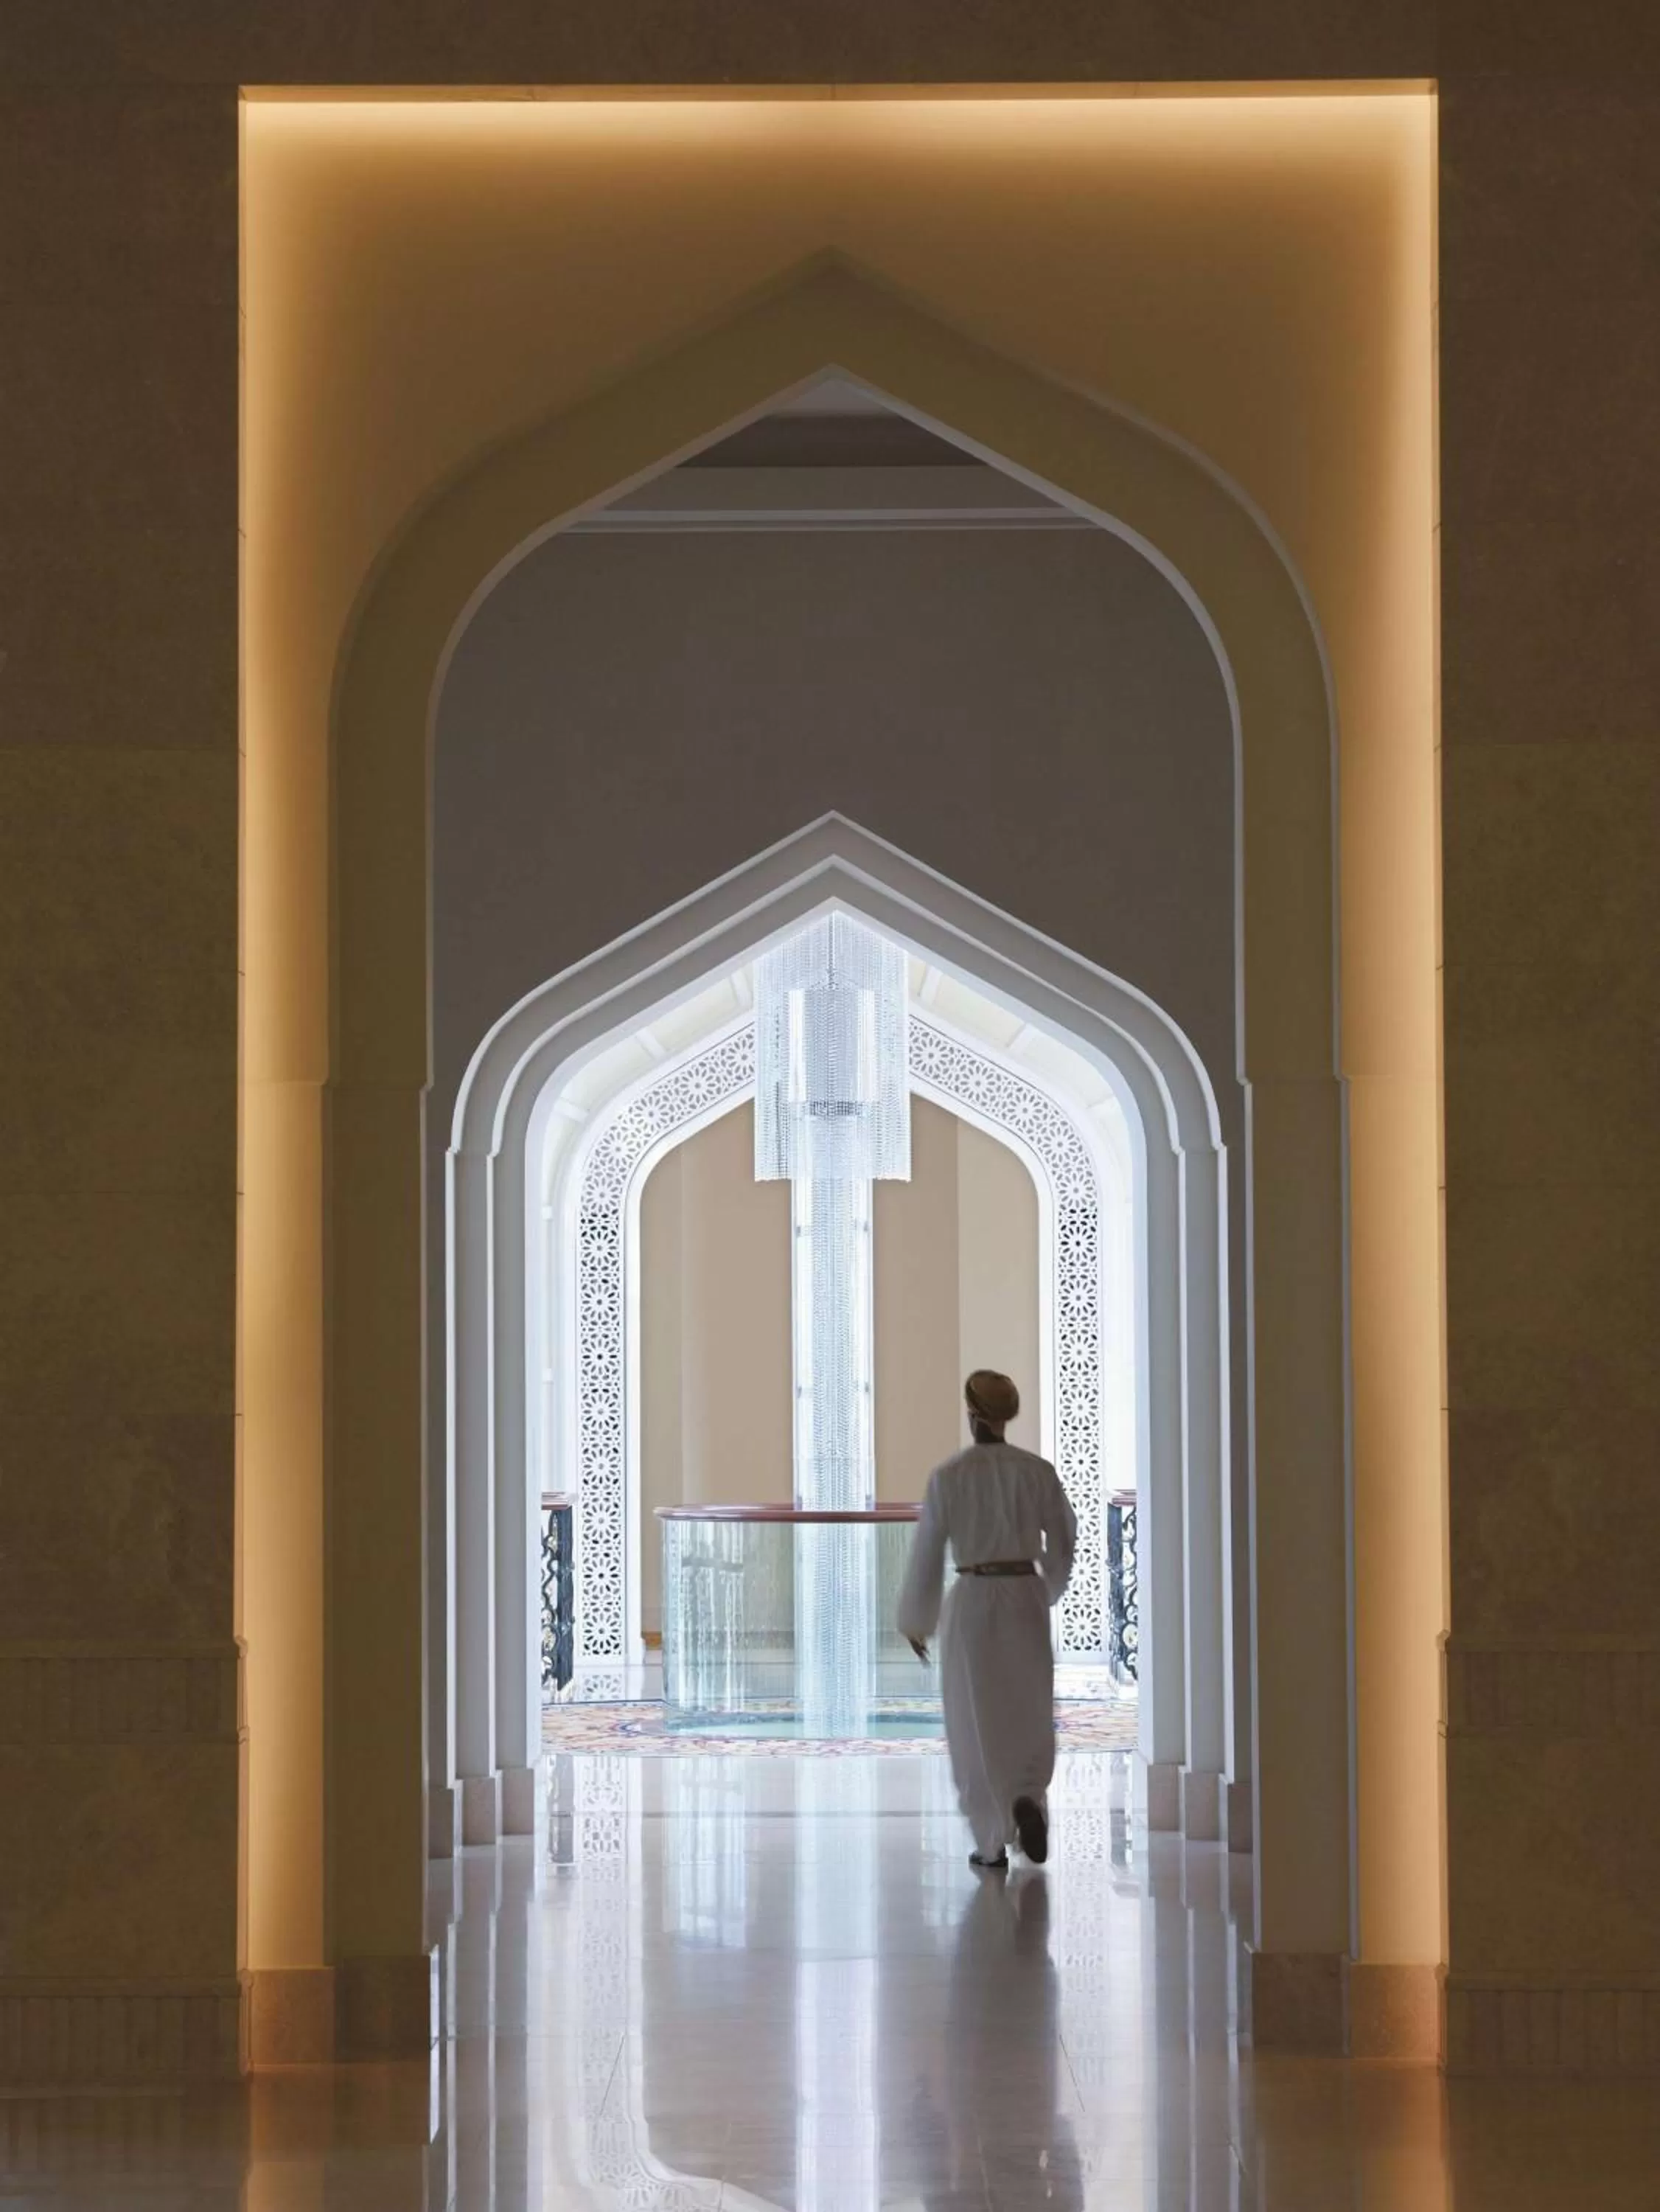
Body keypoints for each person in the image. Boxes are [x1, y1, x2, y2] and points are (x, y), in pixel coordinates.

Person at [897, 1370, 1077, 1871]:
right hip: (1024, 1596)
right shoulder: (1037, 1472)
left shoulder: (950, 1476)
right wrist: (1046, 1587)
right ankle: (1027, 1798)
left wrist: (917, 1620)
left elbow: (927, 1554)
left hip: (973, 1599)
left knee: (974, 1718)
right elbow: (1065, 1536)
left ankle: (991, 1840)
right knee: (1027, 1707)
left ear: (971, 1413)